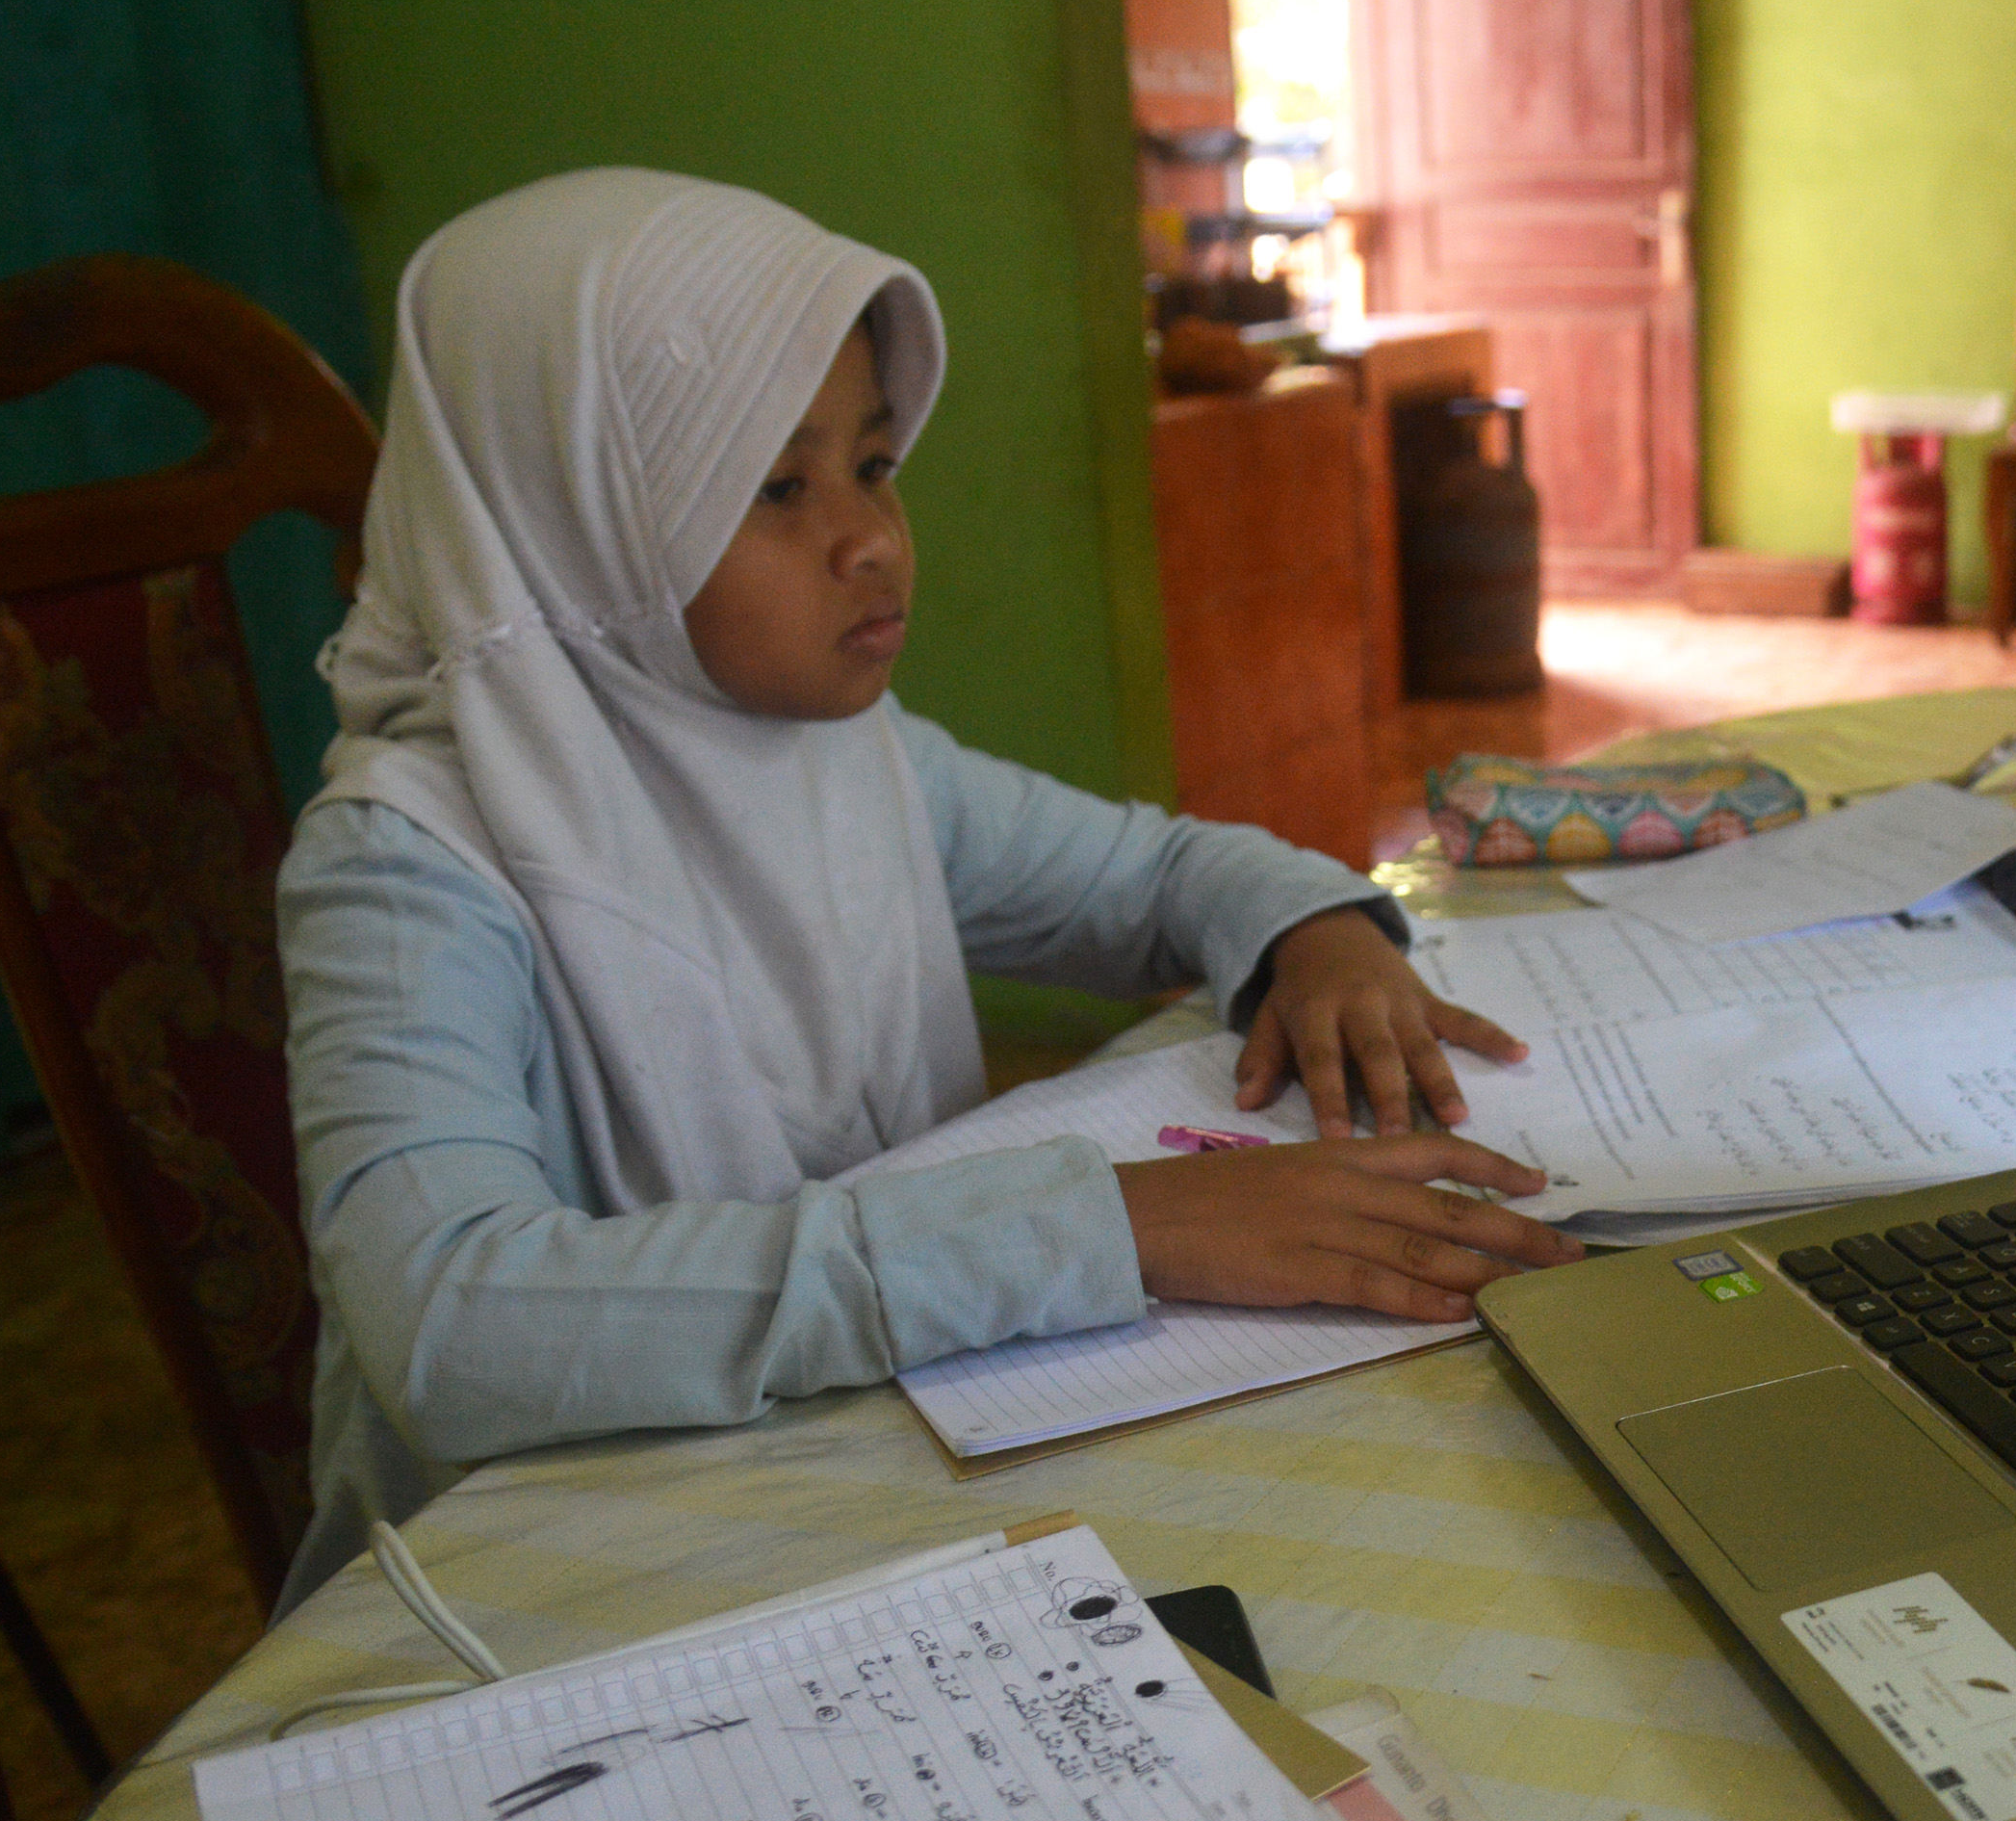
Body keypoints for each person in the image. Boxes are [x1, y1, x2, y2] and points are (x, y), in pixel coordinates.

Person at [281, 170, 1582, 1607]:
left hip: (857, 1475)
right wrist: (1110, 1228)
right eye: (776, 487)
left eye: (876, 464)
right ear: (570, 524)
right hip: (536, 1582)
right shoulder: (406, 868)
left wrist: (1315, 932)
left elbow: (1159, 869)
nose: (870, 540)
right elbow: (450, 1324)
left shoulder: (850, 755)